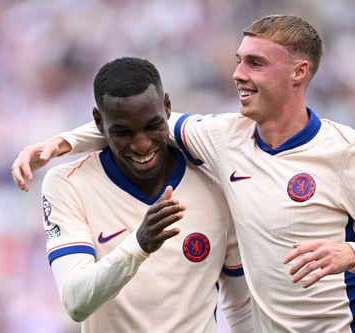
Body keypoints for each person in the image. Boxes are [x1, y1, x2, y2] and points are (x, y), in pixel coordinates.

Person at [12, 15, 355, 332]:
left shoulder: (348, 151)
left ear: (298, 73)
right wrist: (62, 143)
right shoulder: (223, 139)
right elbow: (144, 121)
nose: (237, 74)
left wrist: (351, 255)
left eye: (255, 63)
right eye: (238, 61)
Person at [33, 57, 252, 333]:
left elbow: (242, 306)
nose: (142, 145)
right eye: (124, 133)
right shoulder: (68, 184)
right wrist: (138, 246)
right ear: (99, 123)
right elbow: (76, 302)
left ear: (168, 108)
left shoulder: (214, 180)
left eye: (152, 126)